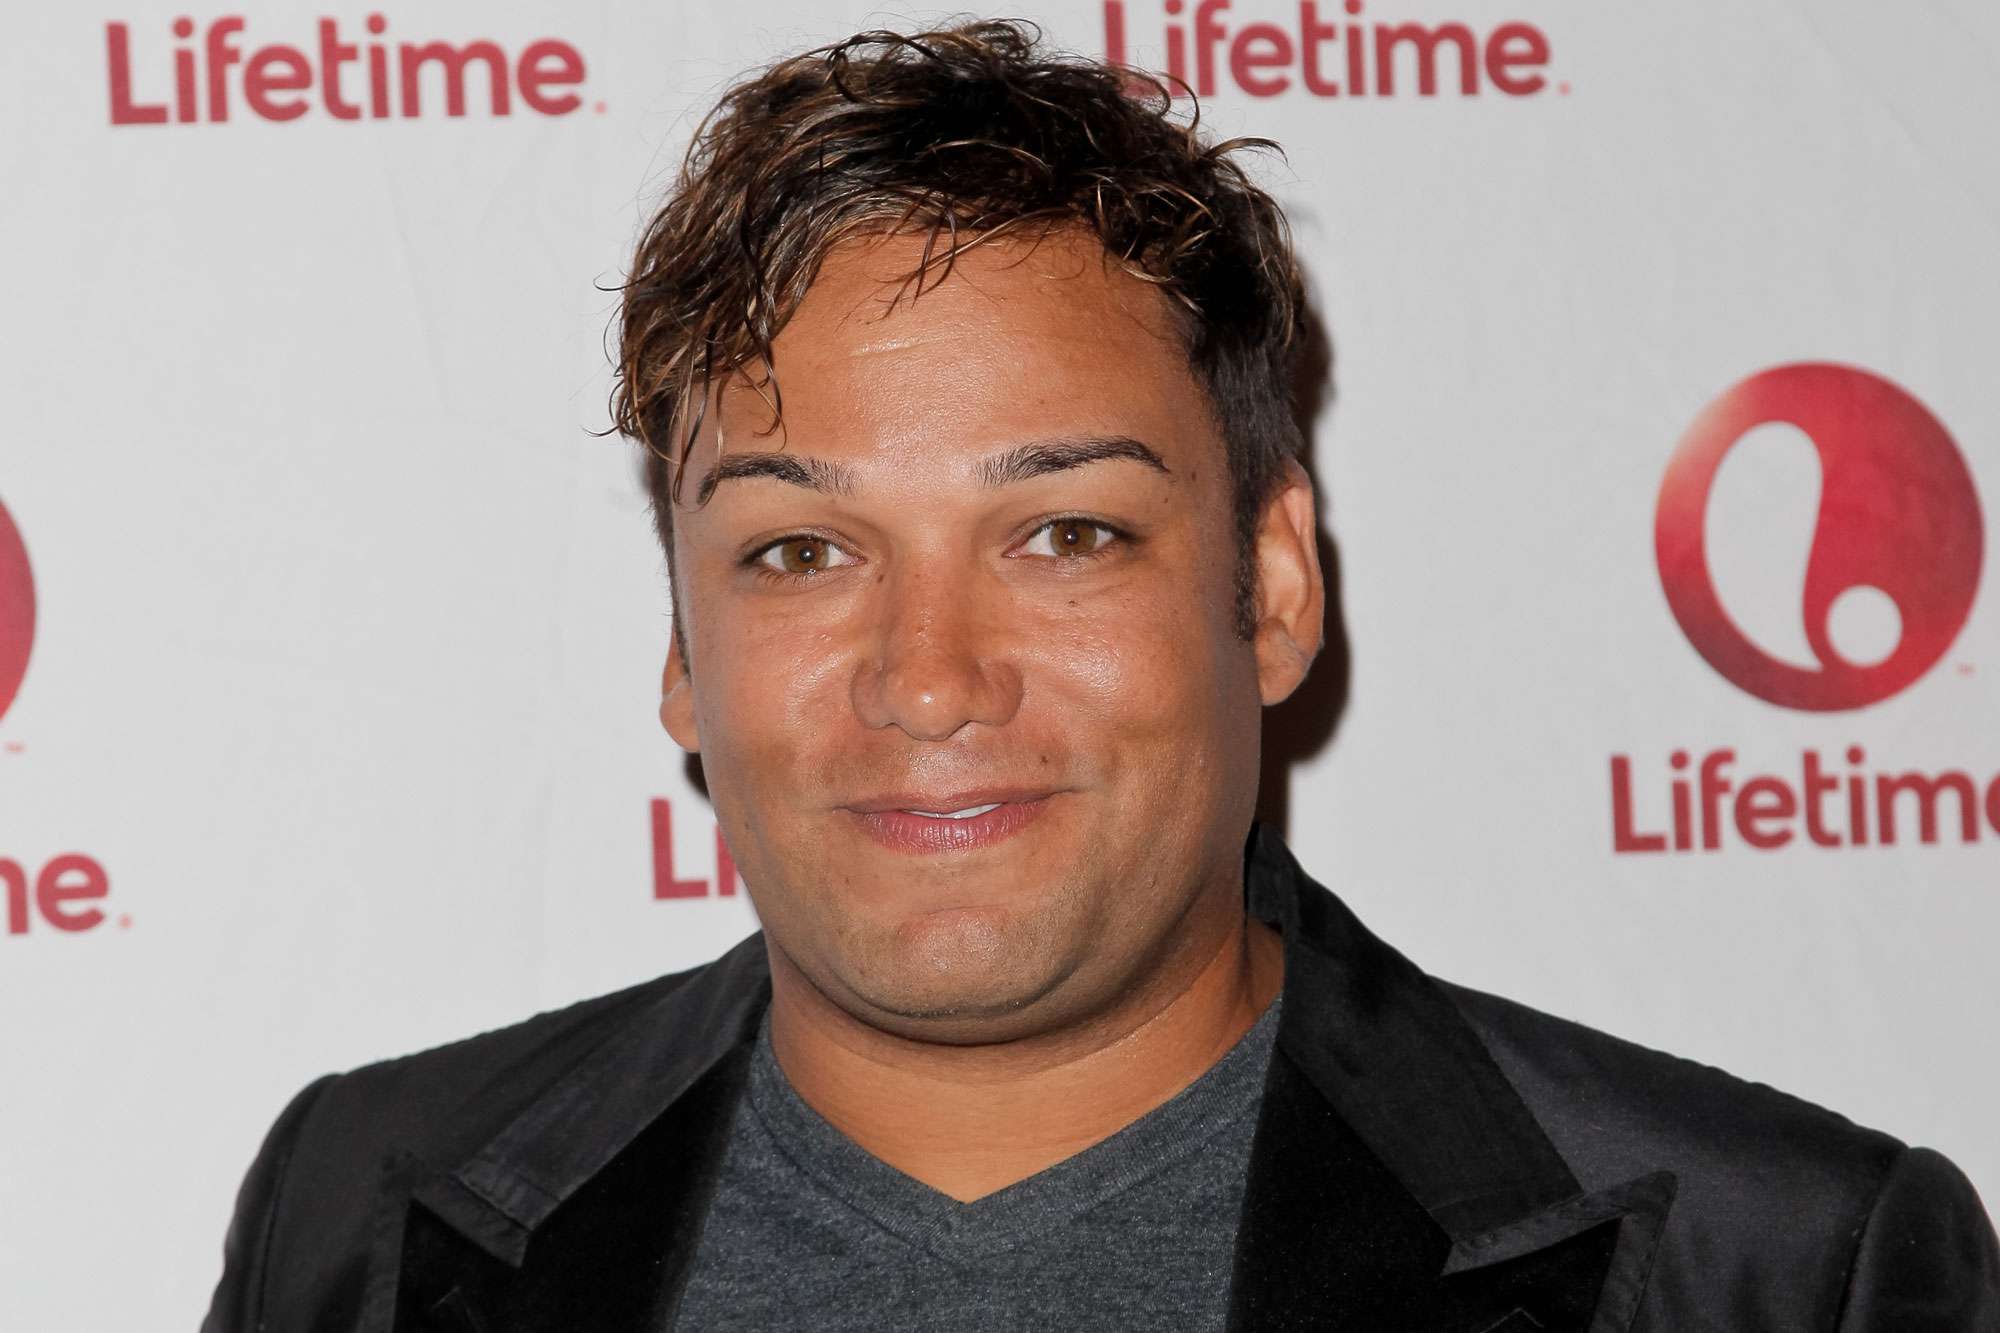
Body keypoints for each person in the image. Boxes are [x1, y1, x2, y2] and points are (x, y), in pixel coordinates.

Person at [203, 20, 2000, 1332]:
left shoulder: (1778, 1272)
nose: (929, 679)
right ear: (684, 652)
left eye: (1065, 531)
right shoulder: (356, 1217)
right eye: (799, 551)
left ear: (1274, 586)